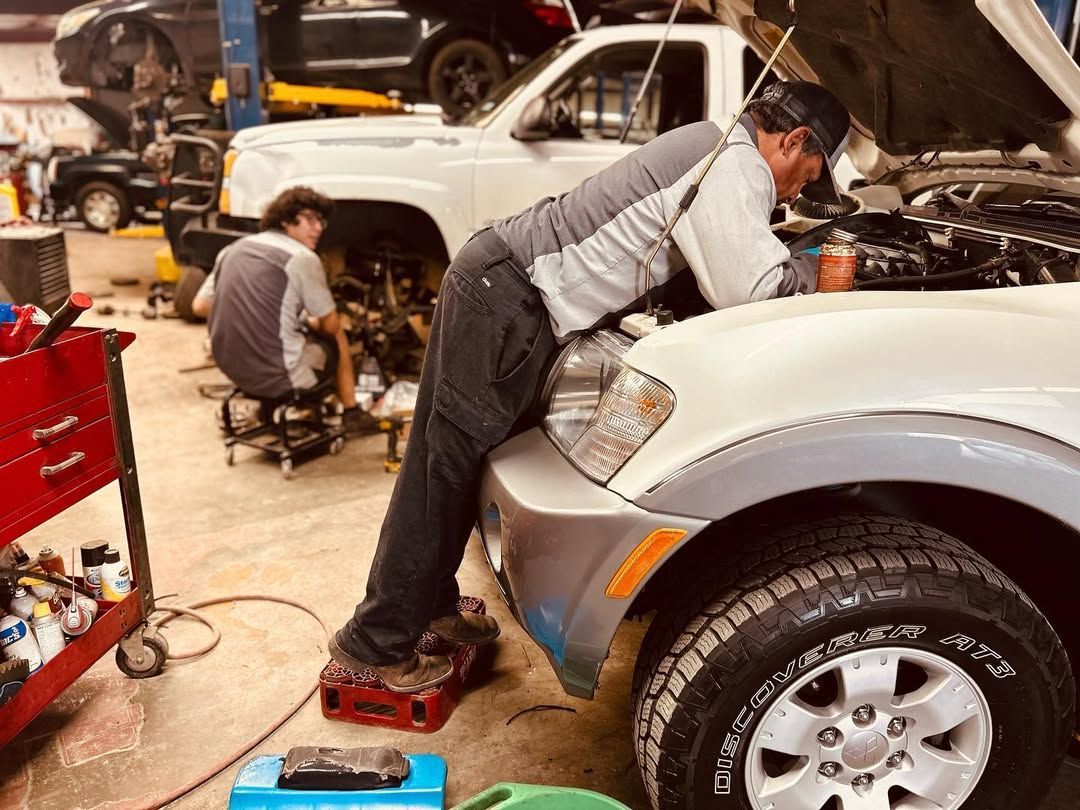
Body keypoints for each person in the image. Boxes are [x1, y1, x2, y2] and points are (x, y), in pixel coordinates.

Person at [329, 81, 853, 692]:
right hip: (506, 295)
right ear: (792, 139)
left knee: (462, 462)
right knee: (441, 467)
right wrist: (820, 269)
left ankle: (431, 608)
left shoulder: (714, 143)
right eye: (806, 176)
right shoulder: (733, 164)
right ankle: (377, 640)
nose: (795, 194)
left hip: (505, 287)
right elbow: (755, 291)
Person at [192, 186, 369, 432]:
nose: (318, 227)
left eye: (321, 221)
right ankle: (352, 412)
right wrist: (308, 323)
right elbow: (330, 325)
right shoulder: (302, 258)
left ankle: (269, 403)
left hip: (232, 369)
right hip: (280, 375)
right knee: (338, 336)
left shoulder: (232, 250)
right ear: (286, 220)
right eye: (310, 219)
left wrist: (251, 315)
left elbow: (200, 306)